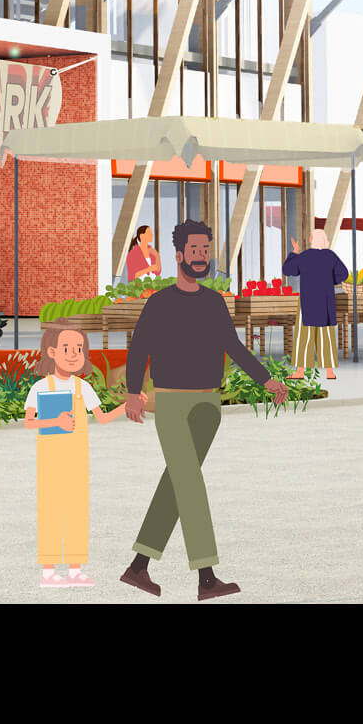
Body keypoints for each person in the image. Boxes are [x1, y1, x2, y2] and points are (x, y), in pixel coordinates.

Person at [117, 220, 285, 598]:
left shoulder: (213, 303)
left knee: (177, 482)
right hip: (172, 401)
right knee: (190, 484)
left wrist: (267, 380)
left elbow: (235, 347)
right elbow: (138, 349)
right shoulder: (159, 302)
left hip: (208, 404)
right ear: (178, 255)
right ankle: (206, 578)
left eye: (205, 251)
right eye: (194, 251)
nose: (200, 257)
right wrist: (132, 393)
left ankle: (138, 567)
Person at [27, 324, 125, 588]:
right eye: (67, 348)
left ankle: (74, 569)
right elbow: (28, 422)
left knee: (76, 514)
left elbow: (102, 419)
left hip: (77, 463)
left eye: (79, 349)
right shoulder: (41, 387)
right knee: (50, 512)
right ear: (51, 351)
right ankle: (48, 571)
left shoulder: (83, 388)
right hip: (50, 462)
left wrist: (127, 406)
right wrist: (54, 422)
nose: (74, 355)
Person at [281, 220, 348, 382]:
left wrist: (294, 252)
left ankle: (300, 371)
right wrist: (330, 280)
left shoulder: (304, 257)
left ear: (311, 239)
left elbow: (287, 270)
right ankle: (330, 371)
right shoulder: (331, 256)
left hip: (307, 302)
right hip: (325, 301)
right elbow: (343, 273)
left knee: (303, 337)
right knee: (326, 337)